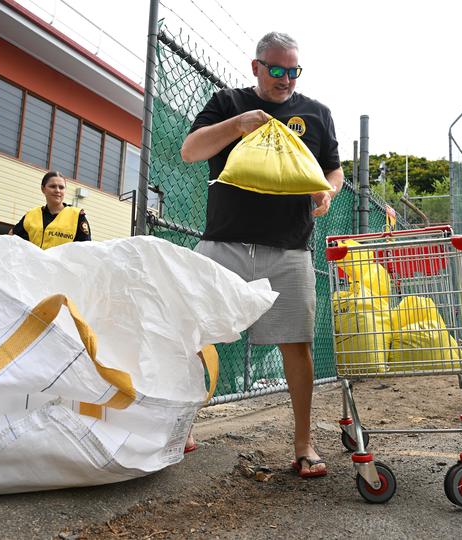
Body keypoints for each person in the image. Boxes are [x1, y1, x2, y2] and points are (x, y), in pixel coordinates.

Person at [181, 31, 343, 478]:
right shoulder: (227, 103)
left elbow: (333, 167)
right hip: (223, 244)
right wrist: (236, 126)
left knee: (298, 343)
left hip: (288, 248)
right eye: (276, 70)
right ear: (256, 67)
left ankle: (304, 443)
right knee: (194, 334)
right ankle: (182, 428)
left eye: (293, 71)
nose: (285, 79)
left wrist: (328, 193)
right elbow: (190, 150)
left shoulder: (316, 114)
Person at [11, 171, 92, 248]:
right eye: (53, 186)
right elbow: (10, 238)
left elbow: (87, 249)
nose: (57, 190)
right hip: (34, 262)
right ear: (43, 189)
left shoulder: (77, 216)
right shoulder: (31, 215)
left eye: (61, 187)